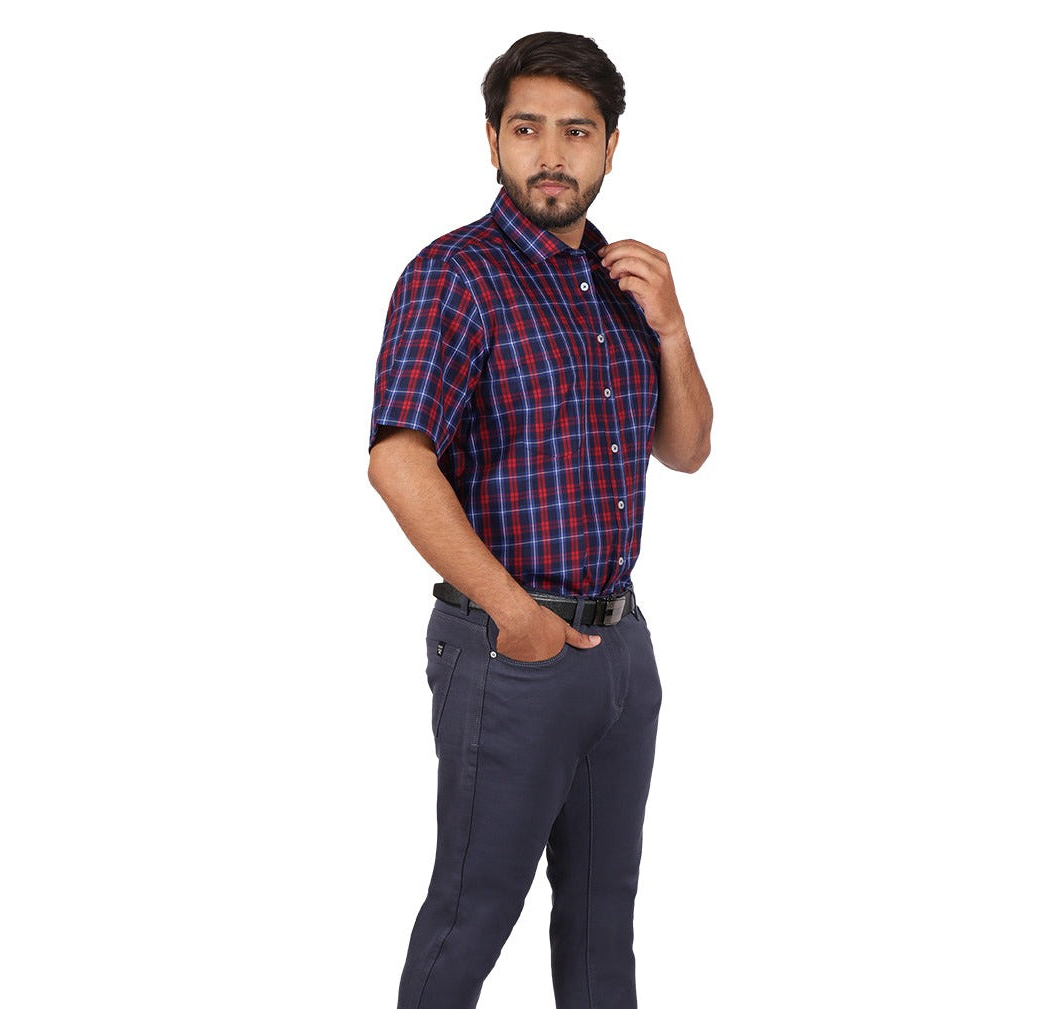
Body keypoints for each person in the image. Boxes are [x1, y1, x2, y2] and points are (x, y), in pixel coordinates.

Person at [367, 31, 712, 1009]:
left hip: (620, 650)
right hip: (508, 653)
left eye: (576, 131)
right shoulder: (455, 275)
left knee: (603, 924)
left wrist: (672, 327)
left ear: (611, 147)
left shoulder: (622, 281)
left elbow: (687, 448)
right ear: (492, 140)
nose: (551, 154)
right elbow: (397, 459)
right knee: (471, 915)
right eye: (527, 130)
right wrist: (513, 614)